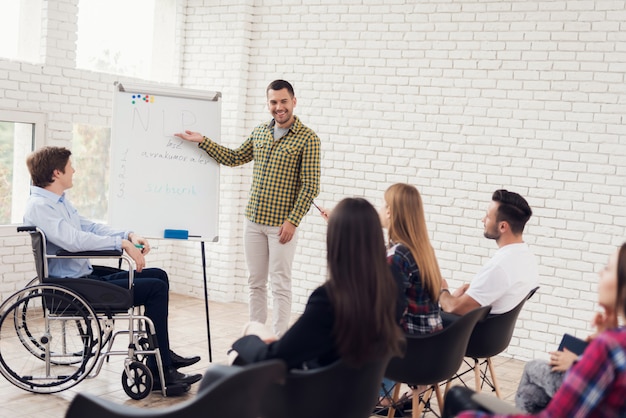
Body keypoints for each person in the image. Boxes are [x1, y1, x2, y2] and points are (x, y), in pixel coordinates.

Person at [23, 146, 202, 392]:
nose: (74, 170)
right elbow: (73, 240)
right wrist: (121, 245)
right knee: (155, 289)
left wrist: (127, 234)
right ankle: (162, 371)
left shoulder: (57, 202)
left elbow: (91, 228)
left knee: (158, 275)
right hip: (68, 288)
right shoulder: (40, 206)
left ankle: (161, 354)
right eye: (69, 167)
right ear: (56, 172)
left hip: (81, 277)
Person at [175, 79, 321, 337]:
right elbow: (233, 158)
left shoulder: (308, 139)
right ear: (268, 104)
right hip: (253, 221)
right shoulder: (260, 133)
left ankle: (276, 343)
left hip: (281, 226)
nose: (279, 107)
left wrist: (293, 221)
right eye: (273, 102)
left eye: (283, 101)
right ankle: (256, 337)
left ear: (293, 102)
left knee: (280, 284)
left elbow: (310, 186)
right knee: (255, 283)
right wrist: (203, 141)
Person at [445, 243, 626, 418]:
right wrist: (606, 334)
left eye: (608, 268)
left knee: (457, 399)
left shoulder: (610, 347)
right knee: (531, 393)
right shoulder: (614, 341)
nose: (600, 272)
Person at [228, 197, 404, 371]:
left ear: (335, 241)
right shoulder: (392, 285)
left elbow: (276, 358)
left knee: (250, 333)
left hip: (312, 391)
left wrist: (243, 343)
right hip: (360, 394)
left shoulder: (328, 299)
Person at [375, 183, 444, 415]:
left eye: (385, 204)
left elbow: (388, 313)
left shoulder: (397, 257)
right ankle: (407, 397)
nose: (381, 209)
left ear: (392, 212)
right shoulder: (424, 250)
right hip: (434, 349)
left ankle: (383, 401)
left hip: (410, 352)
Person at [515, 287, 618, 412]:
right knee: (529, 393)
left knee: (531, 366)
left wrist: (575, 362)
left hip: (589, 386)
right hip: (594, 380)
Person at [439, 189, 539, 316]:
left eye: (487, 216)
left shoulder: (499, 267)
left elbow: (454, 308)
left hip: (468, 332)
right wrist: (474, 292)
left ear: (503, 226)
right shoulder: (527, 257)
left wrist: (442, 290)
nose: (483, 220)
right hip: (492, 332)